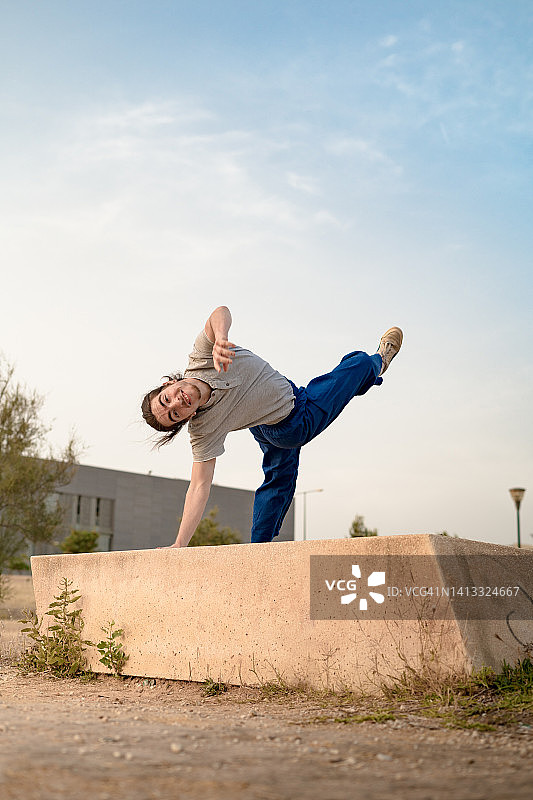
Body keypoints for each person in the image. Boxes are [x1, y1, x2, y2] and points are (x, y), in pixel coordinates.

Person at [141, 306, 402, 547]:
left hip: (266, 416)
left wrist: (220, 337)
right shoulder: (202, 430)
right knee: (355, 366)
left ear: (167, 384)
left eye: (168, 398)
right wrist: (179, 544)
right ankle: (379, 361)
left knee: (278, 480)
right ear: (185, 419)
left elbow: (219, 312)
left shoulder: (201, 357)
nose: (178, 402)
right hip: (295, 422)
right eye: (175, 414)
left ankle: (259, 548)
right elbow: (198, 486)